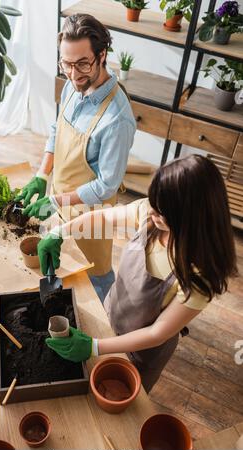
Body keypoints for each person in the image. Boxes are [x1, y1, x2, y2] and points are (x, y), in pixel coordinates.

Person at [38, 155, 237, 393]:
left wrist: (94, 347)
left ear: (189, 216)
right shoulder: (149, 215)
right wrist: (60, 232)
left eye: (161, 211)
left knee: (116, 396)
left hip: (141, 350)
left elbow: (157, 332)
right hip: (110, 313)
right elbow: (102, 217)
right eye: (153, 203)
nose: (152, 211)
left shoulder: (200, 273)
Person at [15, 13, 136, 302]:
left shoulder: (117, 119)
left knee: (97, 276)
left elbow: (106, 186)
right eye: (66, 64)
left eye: (82, 63)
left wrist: (56, 200)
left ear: (102, 55)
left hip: (90, 215)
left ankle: (111, 319)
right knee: (58, 258)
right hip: (59, 196)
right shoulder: (73, 83)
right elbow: (58, 129)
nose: (73, 73)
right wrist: (42, 176)